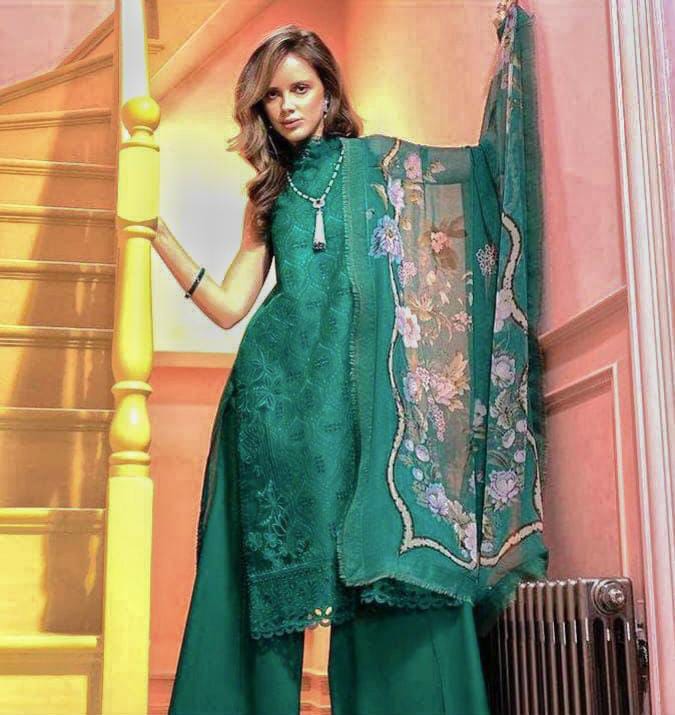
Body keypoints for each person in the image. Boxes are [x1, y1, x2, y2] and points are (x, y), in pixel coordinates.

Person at [161, 5, 547, 714]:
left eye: (299, 89)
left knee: (375, 559)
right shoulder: (265, 196)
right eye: (271, 96)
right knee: (274, 576)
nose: (286, 106)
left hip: (361, 401)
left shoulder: (376, 168)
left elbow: (468, 189)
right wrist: (156, 234)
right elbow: (228, 305)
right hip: (276, 402)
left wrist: (507, 73)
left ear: (328, 92)